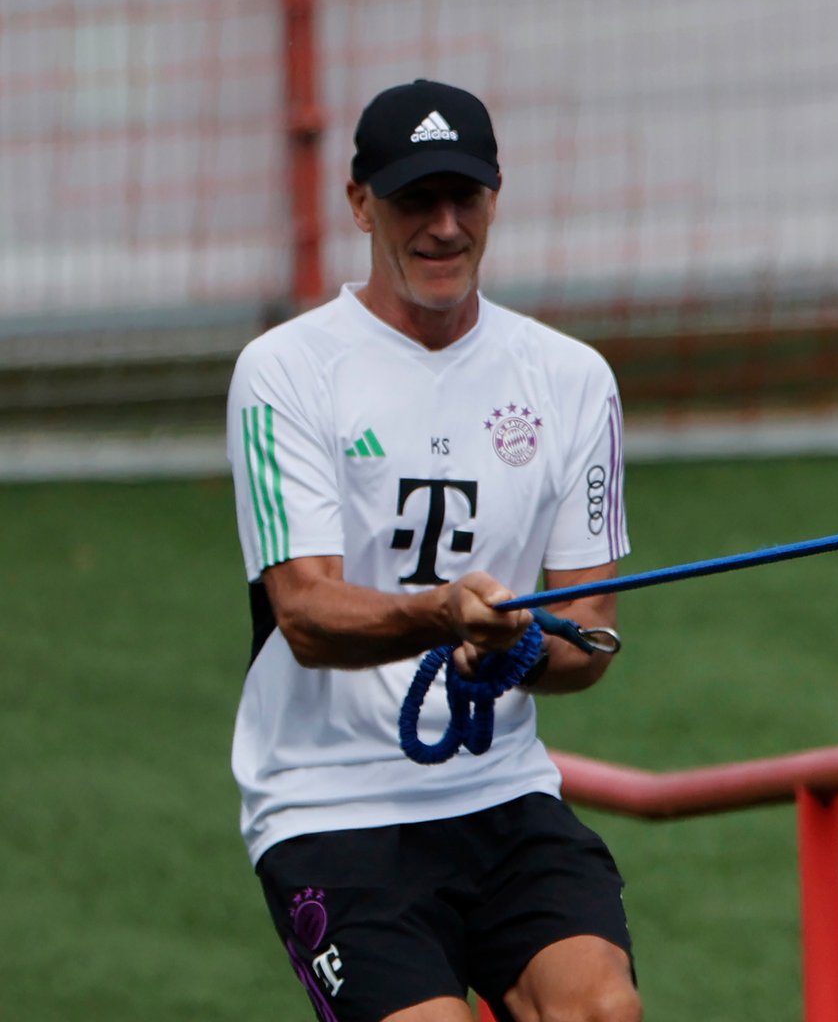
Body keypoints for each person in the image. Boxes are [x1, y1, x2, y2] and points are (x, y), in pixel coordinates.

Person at [226, 79, 639, 1022]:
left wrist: (526, 648)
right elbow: (306, 615)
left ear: (497, 195)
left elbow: (592, 636)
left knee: (601, 1009)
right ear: (360, 203)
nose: (444, 226)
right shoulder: (286, 372)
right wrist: (439, 614)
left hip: (501, 792)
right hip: (328, 808)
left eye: (466, 197)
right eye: (416, 198)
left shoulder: (574, 380)